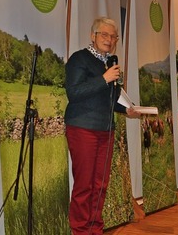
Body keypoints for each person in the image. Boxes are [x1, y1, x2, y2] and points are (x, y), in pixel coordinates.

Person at [64, 17, 141, 235]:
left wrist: (127, 110)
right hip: (83, 128)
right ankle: (79, 231)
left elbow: (110, 98)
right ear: (93, 36)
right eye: (104, 35)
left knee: (100, 186)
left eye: (113, 36)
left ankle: (95, 229)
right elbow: (74, 92)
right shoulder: (80, 59)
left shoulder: (110, 64)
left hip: (105, 130)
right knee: (84, 185)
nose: (109, 40)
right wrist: (104, 79)